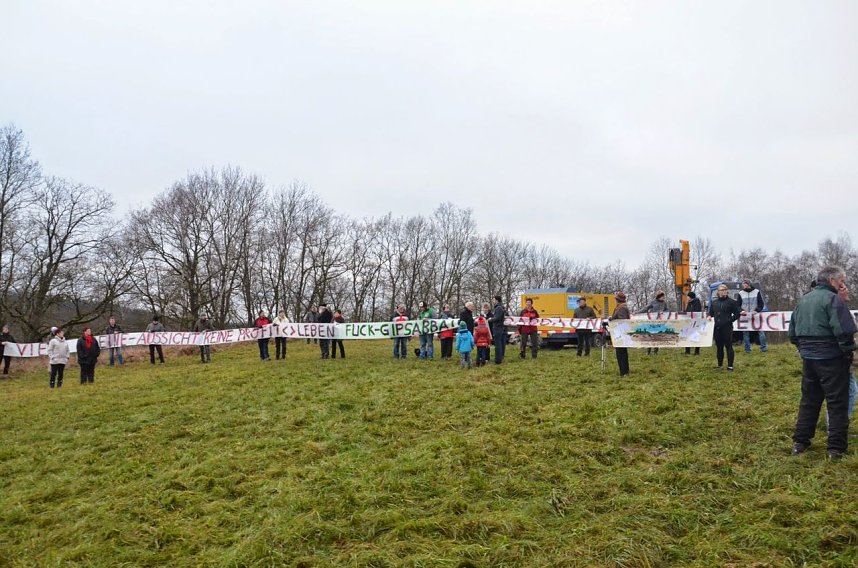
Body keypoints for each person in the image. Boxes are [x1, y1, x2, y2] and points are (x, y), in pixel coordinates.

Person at [789, 266, 856, 461]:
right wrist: (847, 350)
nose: (843, 284)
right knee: (837, 403)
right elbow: (845, 330)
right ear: (833, 281)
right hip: (832, 358)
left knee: (809, 401)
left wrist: (804, 350)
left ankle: (800, 442)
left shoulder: (803, 300)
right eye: (842, 281)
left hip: (809, 359)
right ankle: (835, 448)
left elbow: (792, 333)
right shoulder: (833, 299)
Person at [708, 284, 742, 371]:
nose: (724, 291)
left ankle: (730, 366)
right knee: (719, 347)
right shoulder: (714, 302)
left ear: (727, 291)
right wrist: (708, 316)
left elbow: (737, 313)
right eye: (722, 290)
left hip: (727, 328)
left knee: (728, 346)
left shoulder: (732, 302)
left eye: (725, 290)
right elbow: (711, 313)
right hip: (717, 328)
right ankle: (720, 365)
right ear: (718, 292)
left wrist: (730, 320)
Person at [736, 279, 768, 353]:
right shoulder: (740, 293)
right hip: (745, 316)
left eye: (745, 284)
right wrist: (741, 311)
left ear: (748, 284)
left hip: (756, 315)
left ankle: (763, 348)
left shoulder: (756, 292)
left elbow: (761, 304)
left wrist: (756, 310)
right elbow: (737, 305)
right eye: (743, 284)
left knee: (760, 331)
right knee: (745, 333)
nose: (743, 285)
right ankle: (747, 349)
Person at [638, 291, 669, 355]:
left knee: (657, 336)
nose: (663, 298)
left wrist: (664, 312)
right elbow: (645, 308)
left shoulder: (664, 303)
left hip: (659, 322)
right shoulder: (653, 302)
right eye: (662, 296)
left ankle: (655, 351)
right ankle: (648, 351)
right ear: (659, 296)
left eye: (664, 296)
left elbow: (667, 310)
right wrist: (637, 313)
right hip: (652, 321)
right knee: (650, 335)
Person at [612, 292, 631, 377]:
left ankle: (623, 372)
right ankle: (625, 371)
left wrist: (612, 320)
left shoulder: (621, 308)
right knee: (622, 352)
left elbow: (622, 320)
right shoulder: (620, 307)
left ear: (618, 300)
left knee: (621, 353)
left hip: (620, 333)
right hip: (620, 333)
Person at [490, 295, 507, 364]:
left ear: (497, 300)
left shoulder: (498, 308)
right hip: (500, 327)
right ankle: (500, 358)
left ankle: (498, 360)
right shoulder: (500, 307)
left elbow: (497, 318)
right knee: (500, 343)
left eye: (493, 300)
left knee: (498, 344)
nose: (492, 301)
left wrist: (490, 319)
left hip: (498, 328)